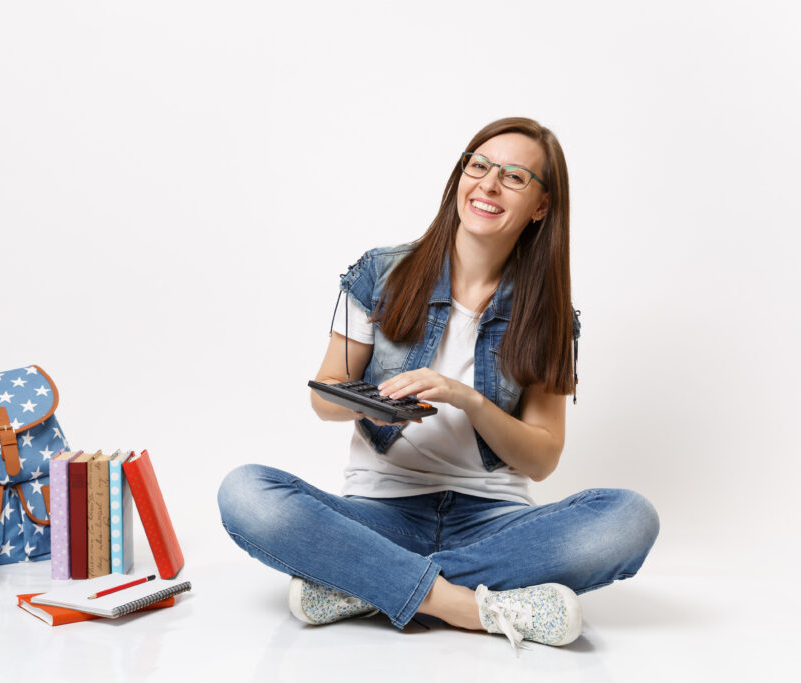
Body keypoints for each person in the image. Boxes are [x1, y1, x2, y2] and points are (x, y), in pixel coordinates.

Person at [217, 117, 659, 649]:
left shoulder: (549, 316)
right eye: (479, 166)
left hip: (493, 523)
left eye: (515, 177)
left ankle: (365, 583)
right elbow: (324, 393)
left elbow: (541, 459)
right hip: (380, 512)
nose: (489, 185)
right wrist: (366, 407)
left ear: (541, 206)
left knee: (630, 519)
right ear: (460, 177)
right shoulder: (380, 274)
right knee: (246, 492)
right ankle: (468, 605)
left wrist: (467, 399)